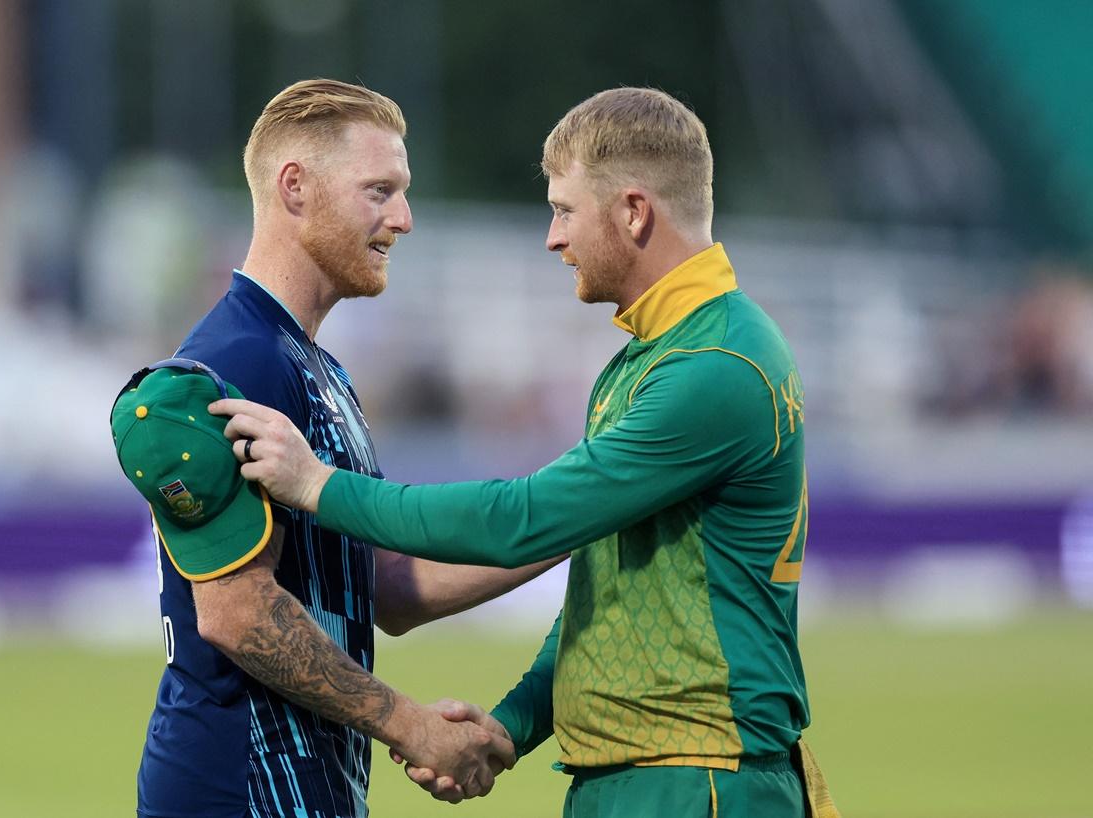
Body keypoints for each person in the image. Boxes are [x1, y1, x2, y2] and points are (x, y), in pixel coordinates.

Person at [211, 87, 840, 818]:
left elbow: (524, 518)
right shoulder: (656, 357)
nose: (552, 236)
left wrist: (318, 486)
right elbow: (612, 593)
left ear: (634, 212)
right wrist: (512, 727)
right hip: (645, 773)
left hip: (699, 779)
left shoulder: (717, 367)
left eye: (565, 210)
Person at [115, 79, 563, 818]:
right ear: (296, 187)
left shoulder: (317, 367)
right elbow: (238, 614)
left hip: (305, 789)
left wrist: (577, 524)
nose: (405, 218)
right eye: (379, 190)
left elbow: (381, 584)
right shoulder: (238, 363)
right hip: (236, 788)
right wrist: (409, 725)